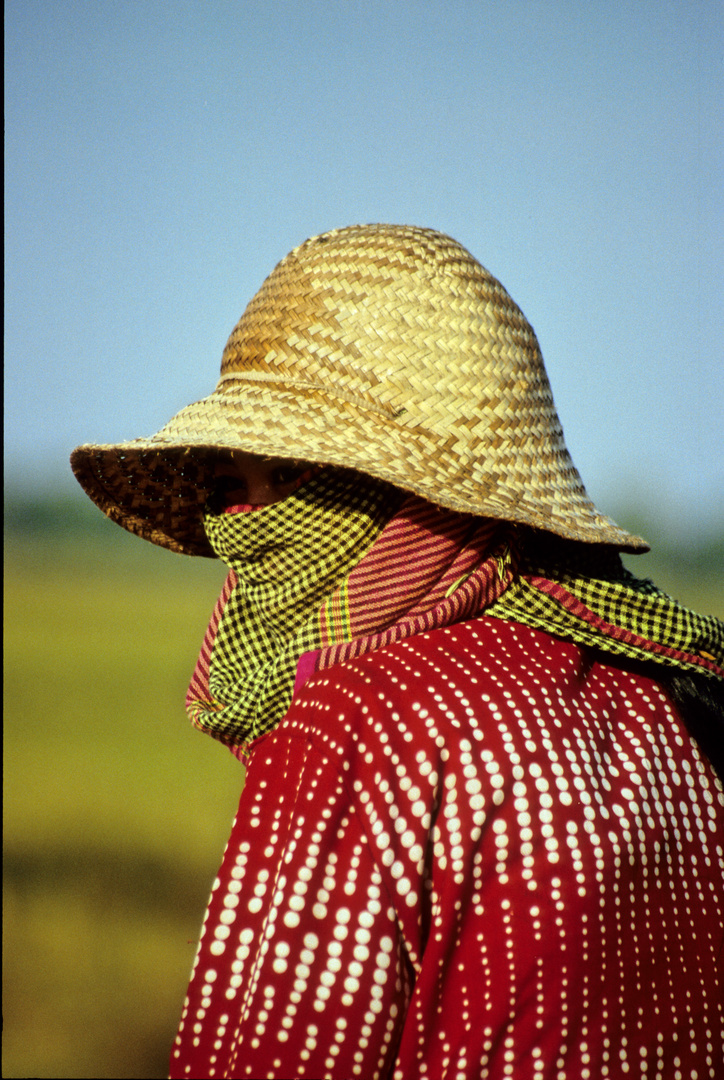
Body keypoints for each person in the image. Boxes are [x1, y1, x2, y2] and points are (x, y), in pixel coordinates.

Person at [71, 224, 724, 1080]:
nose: (250, 526)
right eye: (231, 489)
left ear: (418, 493)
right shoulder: (678, 700)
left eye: (298, 479)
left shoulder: (351, 726)